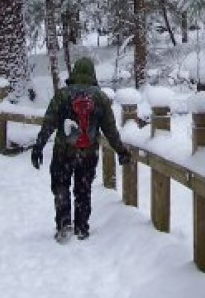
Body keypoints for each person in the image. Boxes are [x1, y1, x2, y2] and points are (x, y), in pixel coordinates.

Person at [31, 57, 131, 241]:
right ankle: (82, 227)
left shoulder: (63, 95)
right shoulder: (100, 97)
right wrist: (121, 151)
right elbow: (110, 129)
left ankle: (64, 223)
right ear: (92, 73)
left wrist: (39, 146)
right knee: (83, 189)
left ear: (74, 72)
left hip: (63, 150)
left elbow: (49, 122)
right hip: (88, 152)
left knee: (61, 185)